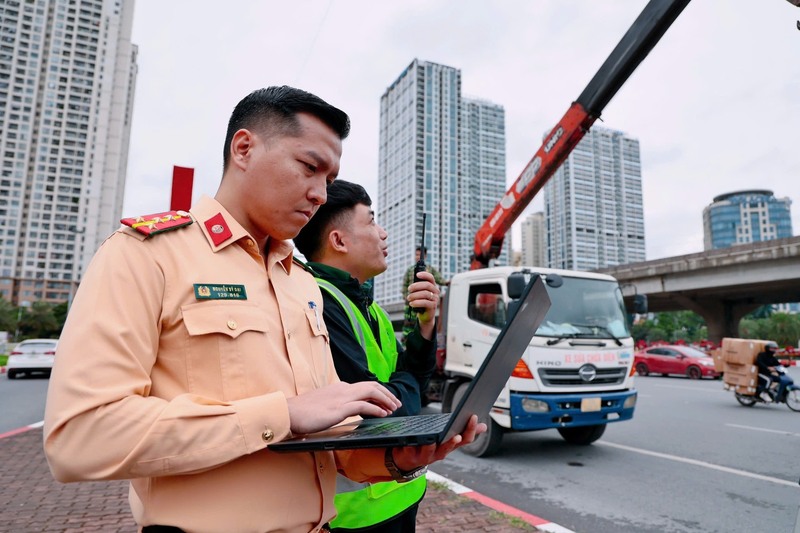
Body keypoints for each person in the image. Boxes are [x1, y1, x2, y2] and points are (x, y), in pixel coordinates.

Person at [42, 86, 484, 533]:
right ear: (244, 148)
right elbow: (80, 437)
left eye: (329, 181)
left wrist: (397, 456)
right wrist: (281, 415)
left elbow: (329, 442)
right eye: (309, 167)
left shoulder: (302, 283)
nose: (318, 194)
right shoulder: (146, 256)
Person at [294, 180, 439, 532]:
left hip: (401, 492)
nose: (383, 233)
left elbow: (414, 382)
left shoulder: (368, 308)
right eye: (372, 221)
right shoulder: (317, 303)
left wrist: (425, 325)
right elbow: (381, 409)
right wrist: (407, 389)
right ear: (339, 241)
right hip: (357, 515)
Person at [401, 246, 448, 343]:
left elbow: (439, 279)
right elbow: (404, 285)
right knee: (408, 324)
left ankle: (420, 345)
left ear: (425, 256)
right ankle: (405, 344)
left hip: (425, 301)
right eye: (416, 254)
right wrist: (406, 297)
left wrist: (448, 283)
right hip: (410, 302)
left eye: (419, 254)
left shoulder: (430, 269)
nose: (417, 257)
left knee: (423, 325)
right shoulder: (410, 270)